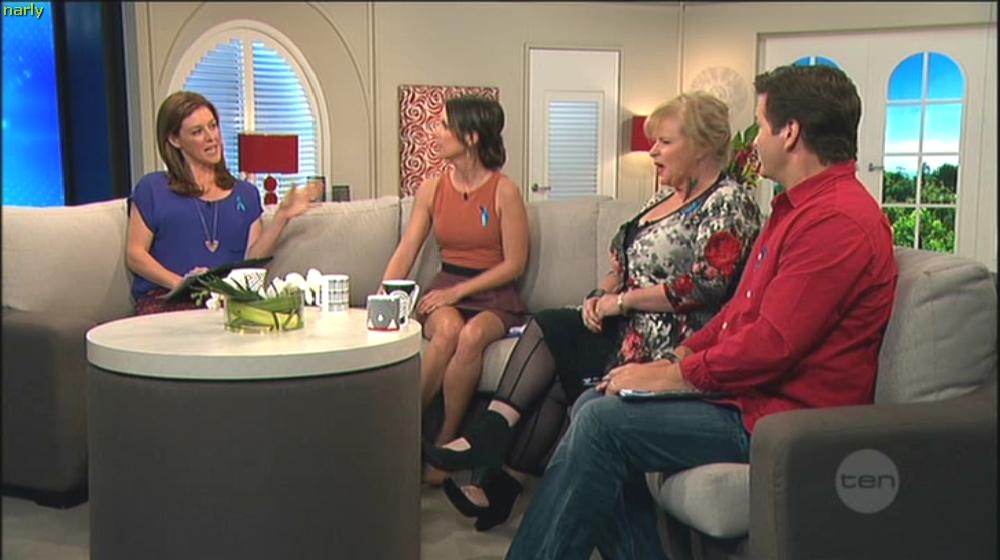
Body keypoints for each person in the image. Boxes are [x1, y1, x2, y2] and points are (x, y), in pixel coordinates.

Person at [503, 64, 899, 559]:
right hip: (752, 399)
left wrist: (673, 376)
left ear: (791, 132)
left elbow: (771, 346)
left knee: (601, 425)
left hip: (785, 421)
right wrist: (677, 357)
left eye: (761, 125)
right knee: (592, 405)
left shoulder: (835, 221)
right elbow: (738, 314)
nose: (754, 142)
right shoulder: (794, 210)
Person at [424, 91, 763, 531]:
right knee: (553, 336)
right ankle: (497, 472)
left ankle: (493, 455)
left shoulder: (728, 201)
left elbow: (706, 284)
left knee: (553, 340)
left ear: (700, 147)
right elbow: (624, 263)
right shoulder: (661, 198)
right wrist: (600, 293)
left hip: (669, 341)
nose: (653, 152)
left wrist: (621, 302)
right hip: (627, 325)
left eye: (664, 142)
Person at [380, 95, 530, 473]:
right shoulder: (431, 189)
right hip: (447, 283)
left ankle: (446, 443)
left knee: (472, 335)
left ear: (471, 137)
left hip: (493, 293)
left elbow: (515, 263)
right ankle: (403, 431)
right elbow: (408, 248)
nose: (436, 132)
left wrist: (459, 292)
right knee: (447, 329)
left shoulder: (504, 190)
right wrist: (385, 292)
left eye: (445, 126)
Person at [127, 90, 320, 315]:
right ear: (174, 139)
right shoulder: (153, 188)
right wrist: (181, 284)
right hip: (166, 302)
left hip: (224, 305)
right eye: (198, 131)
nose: (211, 137)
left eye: (213, 126)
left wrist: (282, 216)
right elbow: (135, 254)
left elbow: (252, 260)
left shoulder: (246, 194)